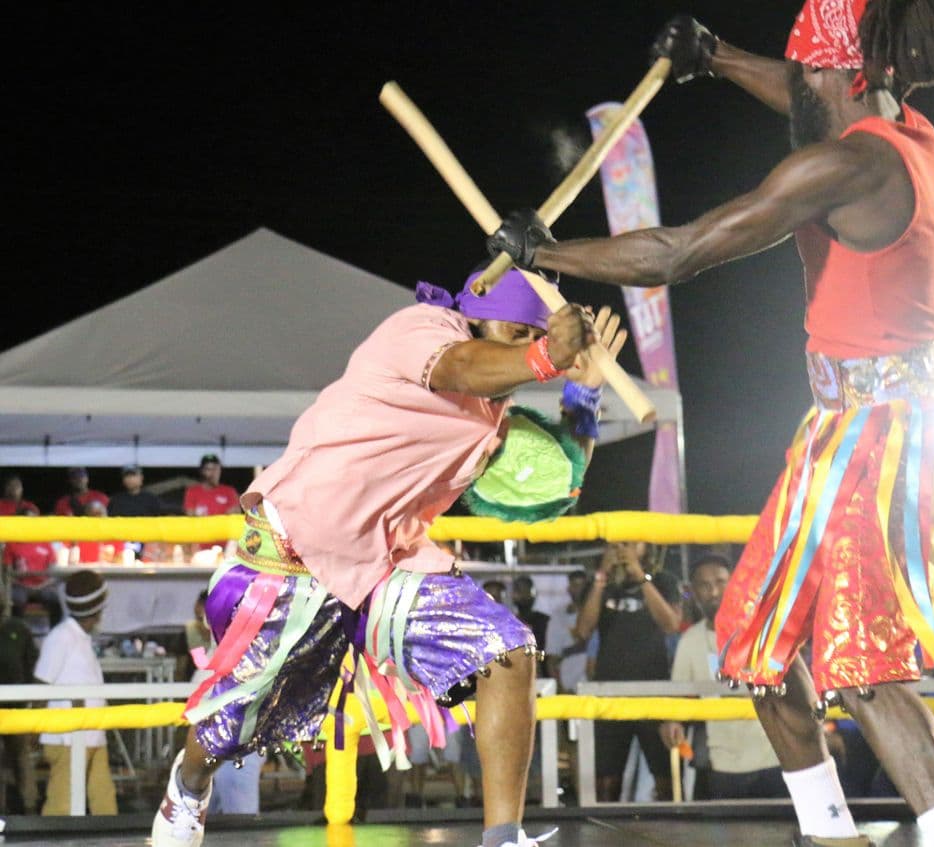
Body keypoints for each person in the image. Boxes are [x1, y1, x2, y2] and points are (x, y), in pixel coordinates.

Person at [487, 2, 934, 844]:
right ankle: (831, 831)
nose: (789, 80)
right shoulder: (899, 121)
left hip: (884, 434)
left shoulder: (848, 164)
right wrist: (714, 57)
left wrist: (548, 252)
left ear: (837, 74)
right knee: (755, 641)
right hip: (836, 426)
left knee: (864, 669)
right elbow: (802, 91)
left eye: (802, 70)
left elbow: (682, 250)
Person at [150, 267, 627, 847]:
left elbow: (555, 484)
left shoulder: (492, 417)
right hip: (294, 555)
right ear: (485, 320)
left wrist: (587, 390)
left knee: (508, 650)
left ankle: (503, 840)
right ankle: (189, 783)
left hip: (384, 568)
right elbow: (460, 366)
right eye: (519, 335)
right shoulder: (422, 330)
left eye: (535, 339)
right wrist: (549, 355)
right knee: (231, 723)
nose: (527, 351)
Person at [661, 554, 785, 800]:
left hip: (773, 757)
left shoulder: (764, 633)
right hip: (722, 764)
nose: (714, 591)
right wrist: (672, 723)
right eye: (705, 585)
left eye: (720, 582)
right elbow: (678, 700)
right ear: (693, 592)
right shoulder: (690, 642)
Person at [573, 541, 681, 801]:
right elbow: (582, 631)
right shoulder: (599, 584)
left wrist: (640, 577)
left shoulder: (663, 580)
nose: (624, 548)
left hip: (654, 692)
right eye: (617, 543)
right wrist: (601, 577)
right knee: (607, 783)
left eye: (632, 542)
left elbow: (671, 624)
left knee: (666, 781)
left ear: (646, 547)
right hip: (610, 693)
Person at [34, 569, 118, 816]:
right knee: (61, 806)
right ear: (97, 608)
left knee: (105, 802)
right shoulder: (61, 638)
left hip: (92, 735)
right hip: (68, 739)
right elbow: (40, 684)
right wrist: (32, 729)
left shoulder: (79, 637)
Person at [0, 596, 40, 813]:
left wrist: (33, 702)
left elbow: (33, 666)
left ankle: (30, 806)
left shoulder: (19, 630)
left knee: (21, 759)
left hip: (16, 707)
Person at [3, 504, 62, 627]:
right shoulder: (12, 543)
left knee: (56, 600)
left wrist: (42, 585)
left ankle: (53, 636)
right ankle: (17, 637)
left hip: (43, 586)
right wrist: (21, 582)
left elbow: (53, 571)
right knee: (16, 601)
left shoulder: (45, 542)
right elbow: (6, 573)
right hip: (20, 586)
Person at [183, 455, 240, 552]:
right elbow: (191, 515)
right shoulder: (193, 491)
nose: (213, 473)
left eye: (216, 469)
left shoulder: (229, 491)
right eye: (209, 469)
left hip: (225, 547)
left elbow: (235, 514)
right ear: (202, 471)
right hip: (199, 547)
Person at [511, 575, 549, 654]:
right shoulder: (508, 622)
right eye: (519, 591)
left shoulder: (544, 621)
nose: (523, 595)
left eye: (526, 591)